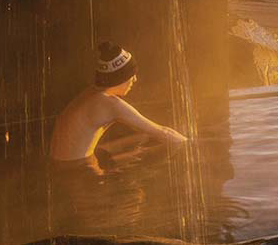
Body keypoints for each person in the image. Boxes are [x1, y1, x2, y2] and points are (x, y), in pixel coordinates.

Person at [48, 41, 187, 163]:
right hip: (78, 171)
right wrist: (191, 146)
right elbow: (162, 132)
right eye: (131, 76)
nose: (135, 80)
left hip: (62, 164)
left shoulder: (90, 94)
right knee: (158, 148)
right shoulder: (109, 104)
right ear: (119, 78)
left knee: (141, 141)